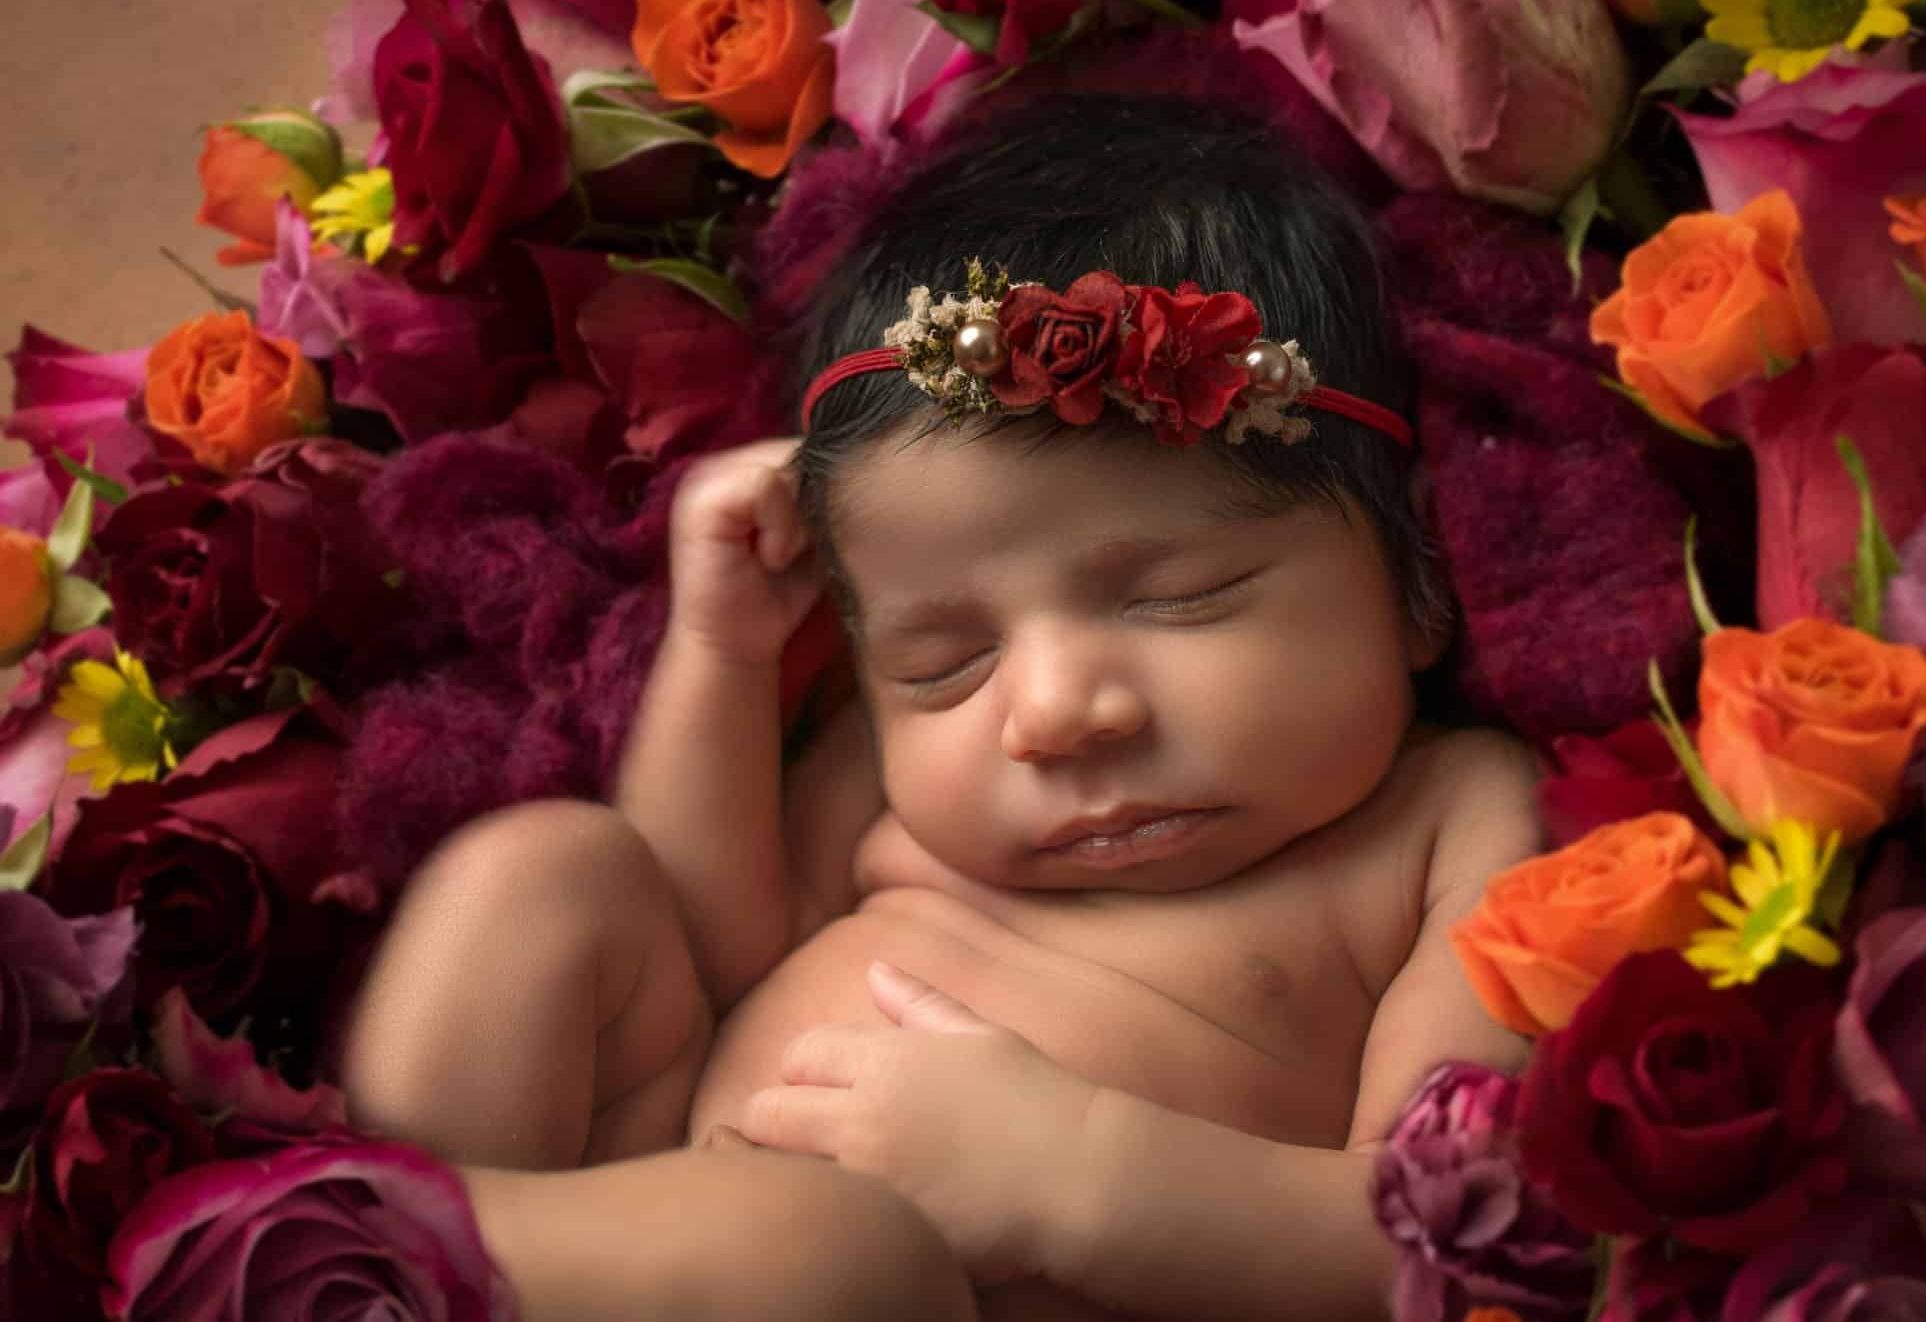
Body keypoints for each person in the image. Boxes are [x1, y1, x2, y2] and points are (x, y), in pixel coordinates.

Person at [341, 95, 1540, 1321]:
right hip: (632, 1213)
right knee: (541, 874)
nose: (1053, 712)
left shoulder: (1453, 818)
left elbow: (1439, 1234)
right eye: (946, 662)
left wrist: (1072, 1173)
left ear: (1417, 572)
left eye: (1178, 597)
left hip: (893, 1292)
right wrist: (722, 653)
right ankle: (349, 1240)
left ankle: (368, 1258)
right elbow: (702, 949)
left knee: (831, 1256)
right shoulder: (889, 782)